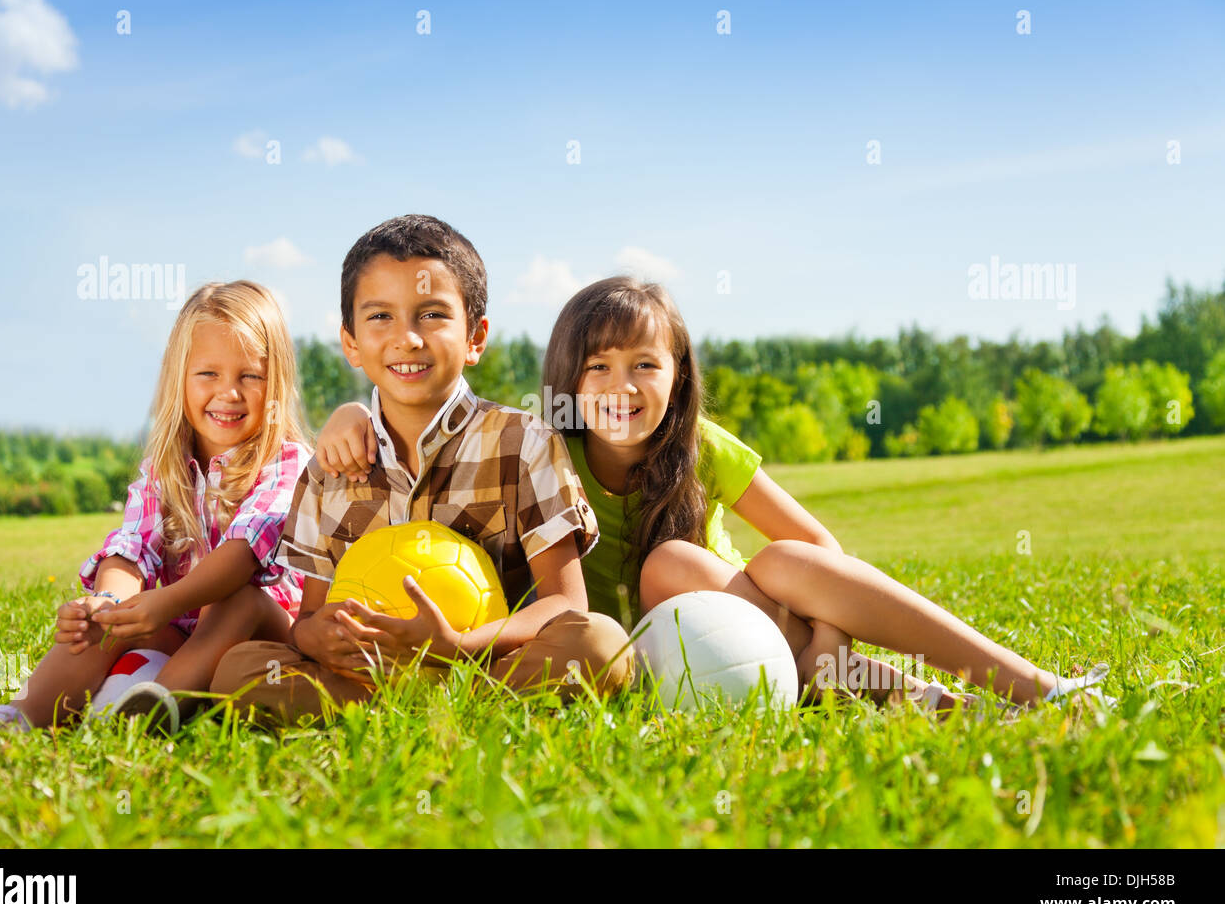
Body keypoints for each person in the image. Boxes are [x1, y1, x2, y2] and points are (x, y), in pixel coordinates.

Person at [314, 277, 1112, 709]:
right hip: (659, 659)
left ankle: (1024, 684)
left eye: (645, 366)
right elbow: (447, 415)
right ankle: (898, 695)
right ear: (566, 380)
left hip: (766, 628)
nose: (621, 388)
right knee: (666, 572)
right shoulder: (543, 447)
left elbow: (825, 554)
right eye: (598, 368)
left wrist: (825, 649)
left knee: (747, 560)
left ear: (680, 376)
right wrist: (353, 408)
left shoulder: (699, 448)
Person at [209, 216, 633, 722]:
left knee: (603, 643)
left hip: (490, 665)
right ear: (350, 343)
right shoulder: (329, 469)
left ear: (475, 337)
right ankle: (401, 707)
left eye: (431, 314)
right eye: (380, 317)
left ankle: (451, 703)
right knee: (238, 669)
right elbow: (309, 618)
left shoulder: (524, 443)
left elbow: (564, 606)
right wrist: (313, 637)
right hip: (364, 677)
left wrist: (456, 644)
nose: (407, 338)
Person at [0, 281, 312, 735]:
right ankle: (19, 717)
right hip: (181, 631)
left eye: (250, 376)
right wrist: (108, 603)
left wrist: (163, 602)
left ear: (276, 382)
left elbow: (241, 556)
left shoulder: (288, 464)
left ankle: (151, 711)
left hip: (264, 637)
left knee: (236, 600)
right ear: (179, 378)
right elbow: (131, 547)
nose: (229, 393)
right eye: (208, 374)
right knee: (102, 622)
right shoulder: (164, 468)